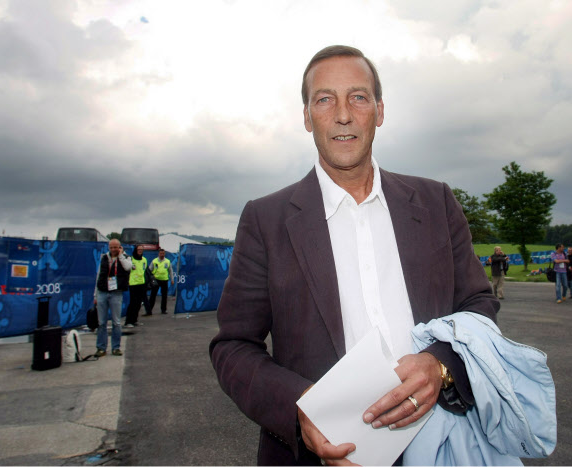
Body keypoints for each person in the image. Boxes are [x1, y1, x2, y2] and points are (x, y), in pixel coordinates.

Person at [209, 45, 500, 465]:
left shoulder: (435, 202)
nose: (343, 114)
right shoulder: (265, 220)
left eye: (358, 97)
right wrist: (302, 409)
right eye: (325, 99)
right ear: (307, 116)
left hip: (444, 446)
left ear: (379, 111)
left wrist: (440, 365)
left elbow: (478, 304)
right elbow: (234, 346)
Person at [93, 239, 131, 357]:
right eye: (111, 247)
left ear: (120, 247)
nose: (113, 249)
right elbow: (99, 275)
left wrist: (120, 256)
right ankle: (101, 348)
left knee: (116, 322)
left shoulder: (126, 257)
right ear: (108, 248)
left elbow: (128, 267)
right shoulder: (104, 258)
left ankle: (116, 347)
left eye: (116, 247)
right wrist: (95, 294)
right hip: (103, 291)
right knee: (101, 322)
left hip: (116, 293)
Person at [124, 244, 151, 328]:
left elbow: (144, 270)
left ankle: (135, 320)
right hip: (133, 284)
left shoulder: (144, 260)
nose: (140, 251)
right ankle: (128, 321)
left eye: (141, 250)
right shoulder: (131, 259)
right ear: (136, 250)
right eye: (138, 249)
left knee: (139, 303)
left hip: (141, 283)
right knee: (133, 303)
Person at [148, 248, 172, 314]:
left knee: (164, 296)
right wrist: (151, 278)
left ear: (165, 254)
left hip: (164, 280)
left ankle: (163, 310)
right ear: (159, 254)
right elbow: (149, 270)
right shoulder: (154, 261)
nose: (162, 255)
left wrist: (172, 279)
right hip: (156, 280)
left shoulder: (167, 261)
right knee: (153, 295)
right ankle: (149, 309)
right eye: (161, 253)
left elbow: (170, 271)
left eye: (163, 253)